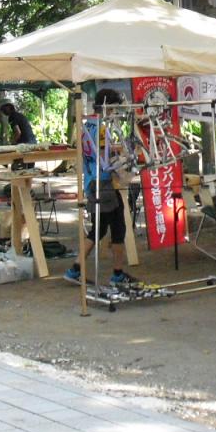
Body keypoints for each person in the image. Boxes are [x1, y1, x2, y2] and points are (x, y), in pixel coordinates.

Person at [66, 88, 137, 288]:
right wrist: (125, 160)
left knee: (99, 229)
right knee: (116, 228)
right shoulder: (102, 129)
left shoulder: (87, 124)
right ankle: (116, 274)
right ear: (108, 106)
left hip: (91, 181)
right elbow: (106, 157)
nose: (115, 112)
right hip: (103, 184)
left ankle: (76, 269)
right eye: (114, 108)